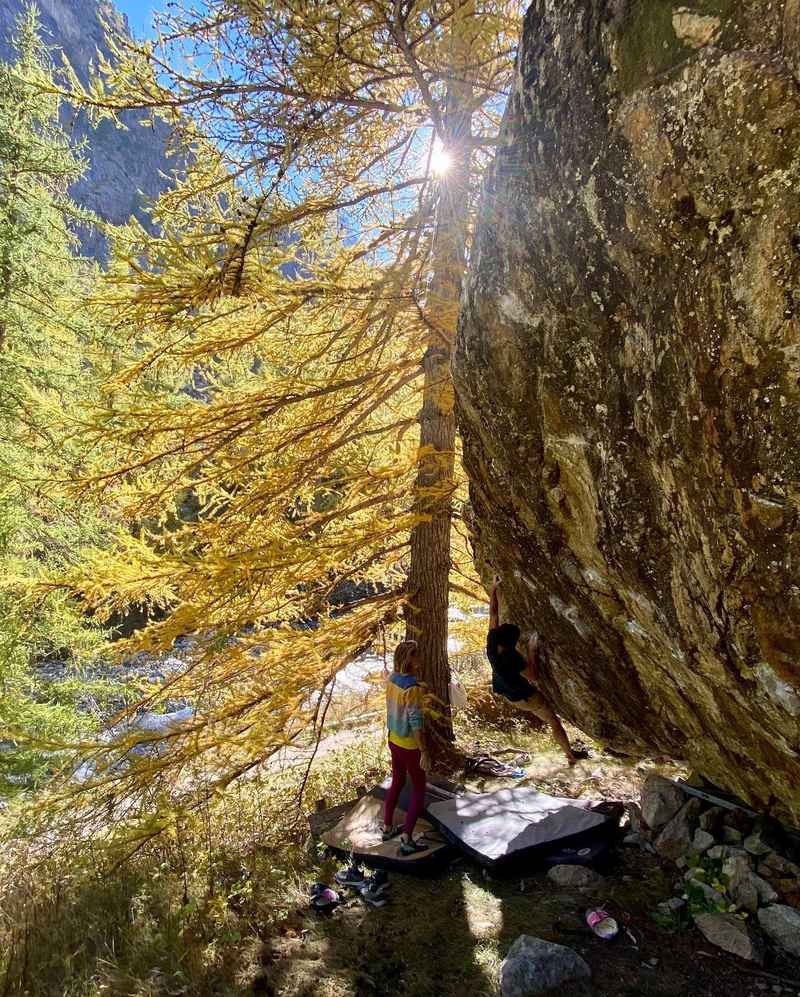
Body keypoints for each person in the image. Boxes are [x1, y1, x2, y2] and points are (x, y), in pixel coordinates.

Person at [487, 578, 582, 766]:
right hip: (527, 697)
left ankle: (570, 753)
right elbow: (533, 675)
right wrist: (532, 651)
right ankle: (570, 756)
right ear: (512, 643)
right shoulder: (512, 657)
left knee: (551, 721)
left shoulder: (491, 643)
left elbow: (493, 613)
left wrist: (494, 588)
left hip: (508, 694)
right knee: (554, 722)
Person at [382, 639, 429, 855]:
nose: (420, 658)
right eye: (417, 655)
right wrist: (425, 752)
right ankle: (407, 838)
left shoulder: (392, 679)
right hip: (409, 744)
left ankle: (387, 827)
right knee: (419, 787)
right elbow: (416, 722)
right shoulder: (412, 687)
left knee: (398, 781)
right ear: (409, 659)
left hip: (393, 739)